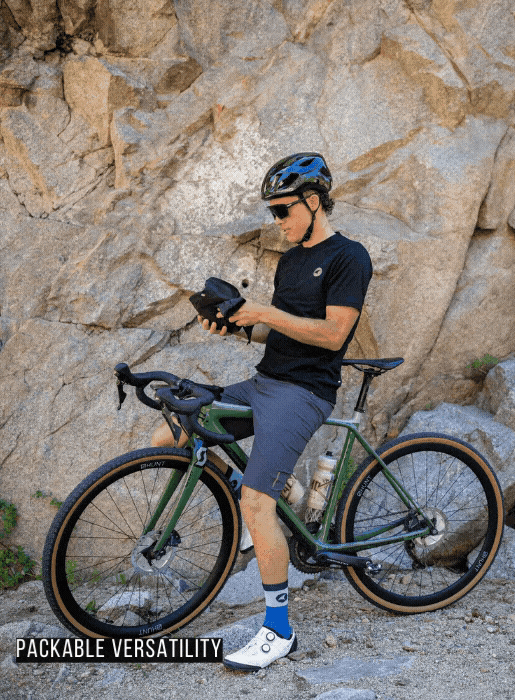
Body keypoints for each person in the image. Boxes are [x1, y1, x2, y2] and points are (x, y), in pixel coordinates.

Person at [151, 153, 373, 671]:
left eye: (282, 210)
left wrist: (265, 311)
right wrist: (239, 327)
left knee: (255, 503)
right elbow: (281, 330)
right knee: (174, 433)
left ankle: (278, 631)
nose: (277, 220)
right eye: (272, 212)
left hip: (305, 392)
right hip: (265, 382)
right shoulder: (291, 260)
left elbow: (334, 334)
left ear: (313, 201)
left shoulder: (349, 257)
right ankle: (265, 490)